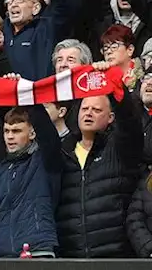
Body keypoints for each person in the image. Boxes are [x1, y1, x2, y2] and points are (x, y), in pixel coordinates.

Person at [56, 66, 142, 257]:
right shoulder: (63, 151)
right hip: (71, 257)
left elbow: (130, 123)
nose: (88, 113)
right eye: (85, 109)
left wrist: (116, 87)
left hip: (115, 256)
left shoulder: (119, 147)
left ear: (111, 117)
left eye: (96, 110)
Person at [0, 106, 62, 257]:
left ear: (33, 133)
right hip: (3, 254)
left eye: (16, 131)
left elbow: (48, 135)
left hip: (37, 250)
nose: (9, 137)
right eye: (6, 131)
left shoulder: (44, 161)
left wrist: (28, 96)